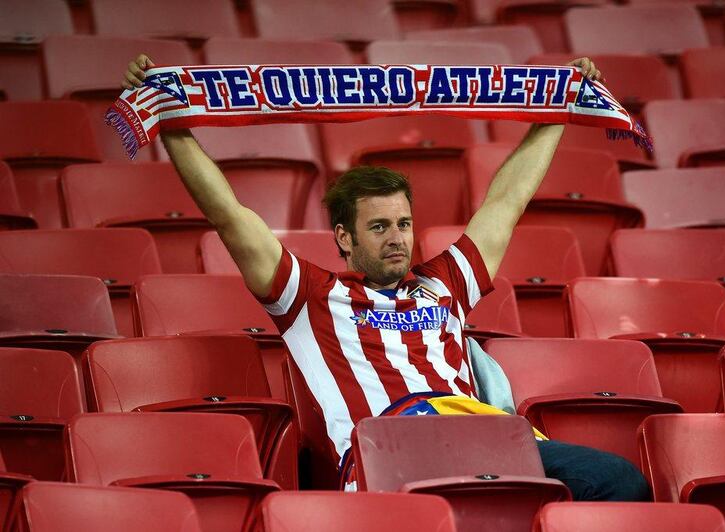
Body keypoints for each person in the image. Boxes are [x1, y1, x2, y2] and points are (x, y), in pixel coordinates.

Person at [122, 55, 649, 501]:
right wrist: (174, 124)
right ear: (345, 238)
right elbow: (230, 218)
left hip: (485, 438)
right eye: (378, 227)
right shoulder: (311, 297)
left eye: (403, 223)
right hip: (390, 452)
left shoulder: (445, 282)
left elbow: (506, 201)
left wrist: (555, 111)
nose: (396, 237)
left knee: (620, 480)